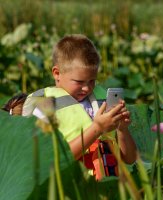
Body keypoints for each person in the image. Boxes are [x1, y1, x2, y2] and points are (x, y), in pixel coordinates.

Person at [23, 34, 137, 180]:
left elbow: (129, 159)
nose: (87, 88)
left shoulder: (102, 100)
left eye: (92, 81)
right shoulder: (43, 104)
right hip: (72, 188)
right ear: (57, 73)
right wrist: (98, 128)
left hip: (109, 187)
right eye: (79, 81)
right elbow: (49, 161)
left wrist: (122, 129)